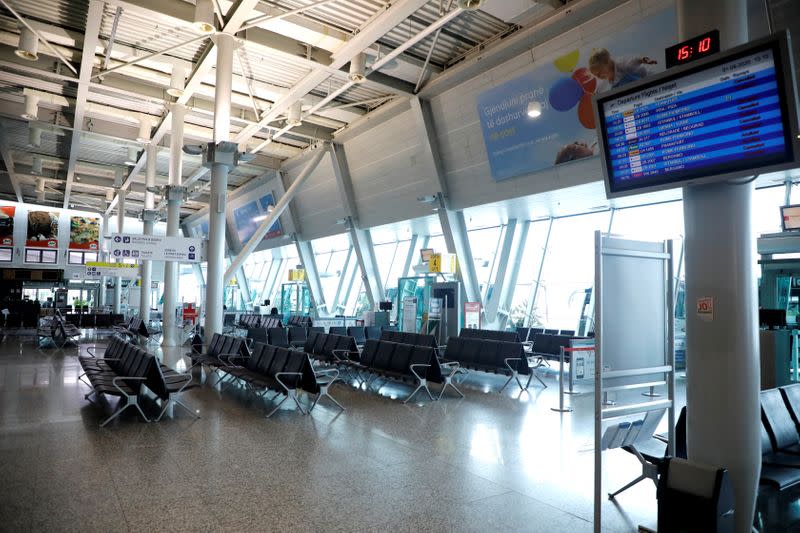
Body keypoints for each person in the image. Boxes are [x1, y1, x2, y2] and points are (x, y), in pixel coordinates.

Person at [588, 48, 657, 89]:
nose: (599, 76)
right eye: (596, 75)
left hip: (648, 80)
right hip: (633, 87)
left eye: (599, 72)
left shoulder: (621, 65)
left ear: (606, 62)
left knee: (624, 81)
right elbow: (600, 89)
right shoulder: (606, 81)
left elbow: (633, 61)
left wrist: (642, 60)